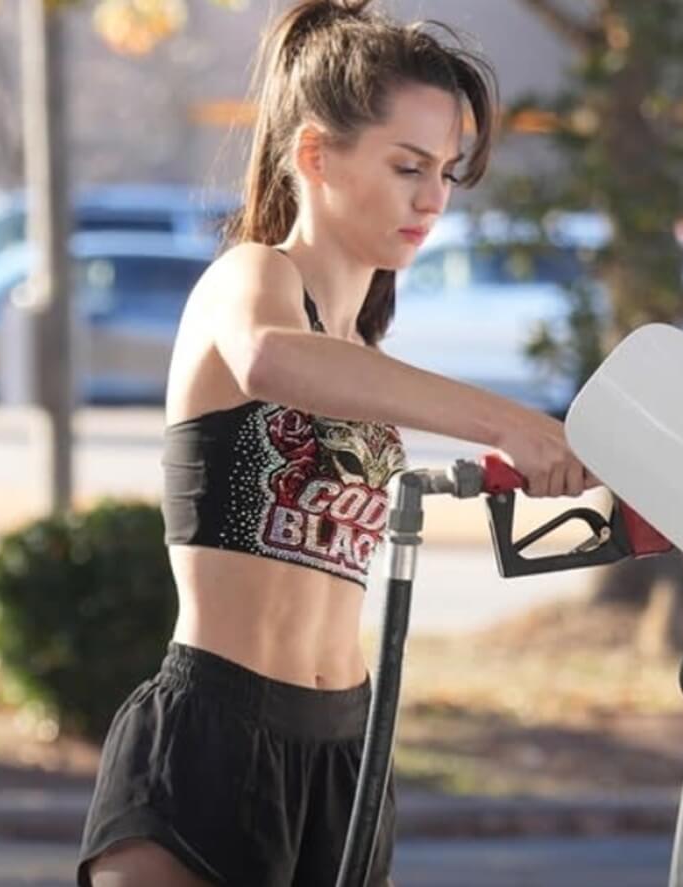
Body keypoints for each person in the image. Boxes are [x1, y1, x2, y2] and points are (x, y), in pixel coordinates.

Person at [76, 2, 594, 884]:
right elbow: (271, 359)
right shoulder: (250, 280)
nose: (433, 198)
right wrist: (507, 418)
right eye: (407, 167)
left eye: (444, 172)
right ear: (316, 155)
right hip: (212, 740)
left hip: (347, 755)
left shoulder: (366, 360)